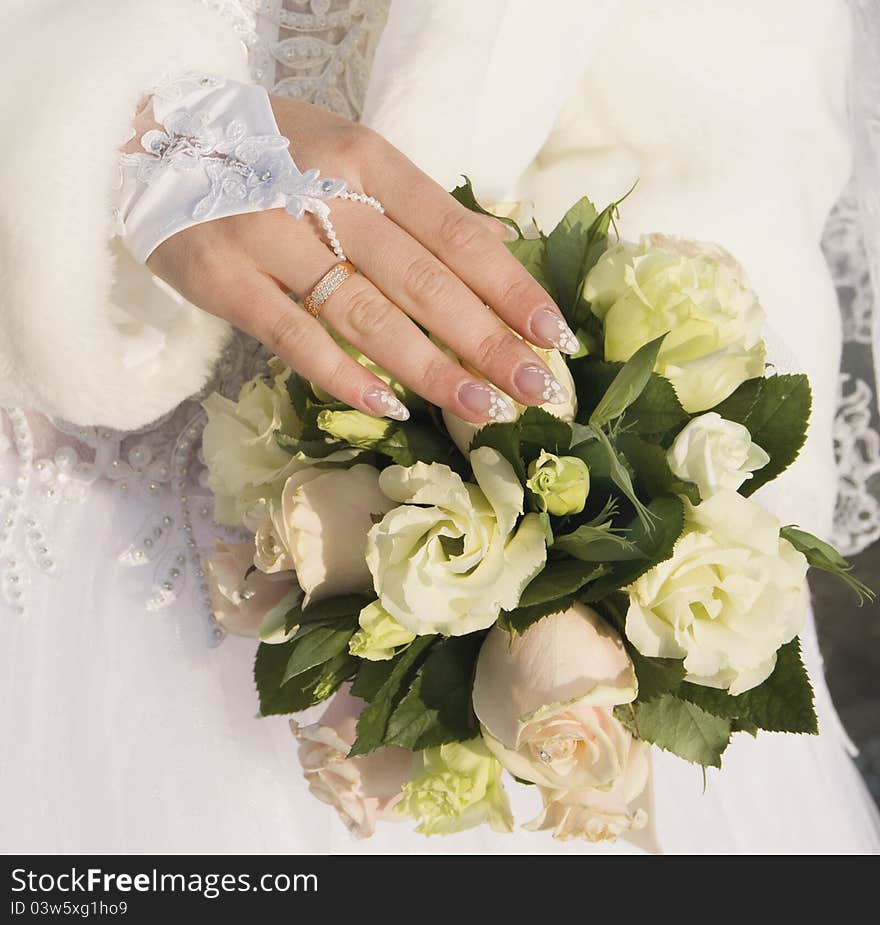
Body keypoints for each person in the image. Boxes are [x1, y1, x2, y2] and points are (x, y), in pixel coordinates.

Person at [0, 0, 877, 853]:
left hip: (485, 595)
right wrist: (138, 128)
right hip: (72, 447)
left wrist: (633, 452)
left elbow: (737, 90)